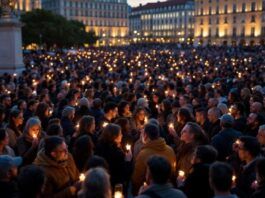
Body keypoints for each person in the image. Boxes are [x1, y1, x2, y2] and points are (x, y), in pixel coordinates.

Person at [132, 123, 176, 195]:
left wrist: (136, 192)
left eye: (142, 134)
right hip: (168, 189)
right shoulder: (170, 150)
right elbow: (173, 171)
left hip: (150, 191)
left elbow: (137, 178)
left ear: (145, 135)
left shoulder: (143, 154)